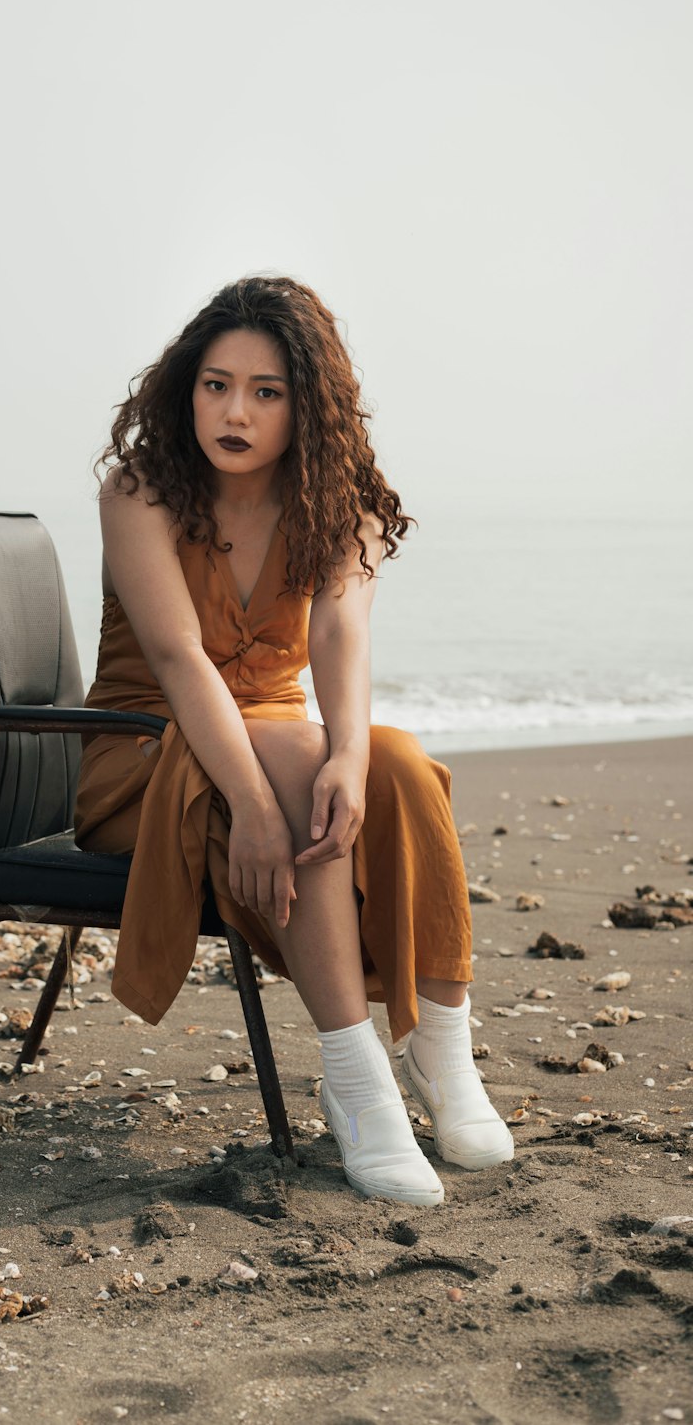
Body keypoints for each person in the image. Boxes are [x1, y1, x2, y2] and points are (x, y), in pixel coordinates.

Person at [73, 275, 513, 1207]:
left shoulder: (335, 498)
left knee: (391, 758)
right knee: (299, 760)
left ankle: (440, 1043)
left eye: (266, 392)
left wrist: (349, 754)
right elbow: (179, 657)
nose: (235, 411)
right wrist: (257, 807)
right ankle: (358, 1083)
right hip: (143, 757)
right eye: (216, 384)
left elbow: (340, 635)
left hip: (276, 742)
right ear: (185, 386)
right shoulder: (141, 489)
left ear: (306, 405)